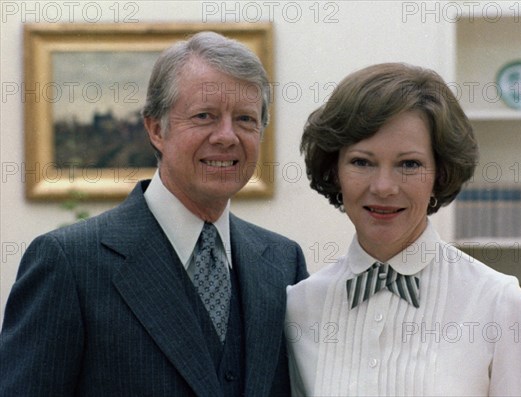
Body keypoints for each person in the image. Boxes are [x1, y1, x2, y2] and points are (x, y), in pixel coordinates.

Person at [0, 31, 308, 396]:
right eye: (205, 116)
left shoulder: (282, 262)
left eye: (244, 119)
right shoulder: (69, 263)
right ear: (156, 128)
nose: (227, 136)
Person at [285, 63, 521, 396]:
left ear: (439, 174)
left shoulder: (497, 302)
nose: (383, 187)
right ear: (335, 170)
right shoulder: (299, 305)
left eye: (409, 164)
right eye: (362, 162)